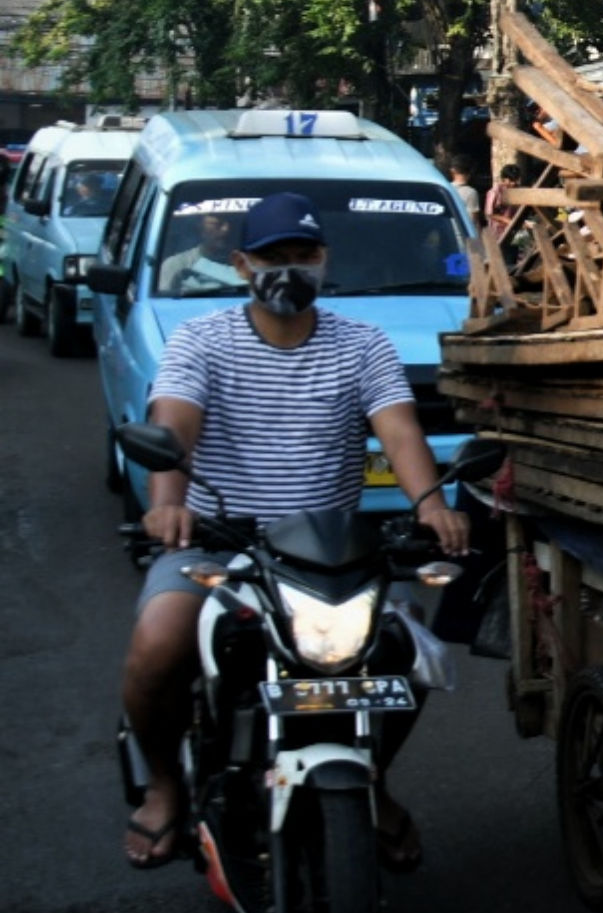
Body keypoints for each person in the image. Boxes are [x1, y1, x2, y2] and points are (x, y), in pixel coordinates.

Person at [118, 192, 470, 869]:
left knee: (406, 656)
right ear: (241, 263)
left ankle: (371, 781)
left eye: (303, 256)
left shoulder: (363, 344)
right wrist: (168, 503)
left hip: (330, 551)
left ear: (323, 260)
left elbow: (399, 432)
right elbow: (173, 427)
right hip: (219, 545)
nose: (290, 269)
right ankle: (164, 786)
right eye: (273, 258)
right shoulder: (202, 340)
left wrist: (431, 505)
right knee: (156, 649)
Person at [155, 209, 244, 297]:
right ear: (200, 228)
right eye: (218, 224)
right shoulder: (176, 265)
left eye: (232, 224)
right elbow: (162, 303)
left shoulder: (250, 264)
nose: (226, 229)